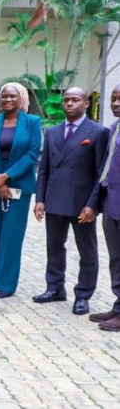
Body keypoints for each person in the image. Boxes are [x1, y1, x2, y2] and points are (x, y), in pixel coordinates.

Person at [32, 87, 108, 315]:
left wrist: (92, 204)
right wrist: (40, 199)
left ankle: (83, 294)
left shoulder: (98, 132)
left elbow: (100, 173)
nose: (69, 104)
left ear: (86, 104)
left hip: (82, 202)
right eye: (66, 100)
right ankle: (55, 288)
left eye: (75, 100)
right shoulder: (52, 132)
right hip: (55, 198)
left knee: (87, 250)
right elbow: (43, 169)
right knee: (54, 247)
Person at [0, 83, 42, 299]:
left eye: (12, 96)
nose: (7, 99)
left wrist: (7, 176)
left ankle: (6, 283)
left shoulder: (32, 122)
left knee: (12, 235)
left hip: (20, 186)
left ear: (21, 98)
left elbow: (32, 154)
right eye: (4, 96)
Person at [90, 84, 120, 331]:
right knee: (116, 257)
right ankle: (118, 306)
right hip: (111, 201)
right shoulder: (114, 128)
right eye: (113, 98)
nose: (116, 103)